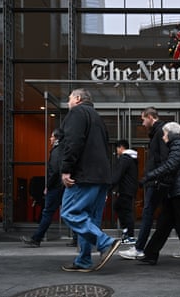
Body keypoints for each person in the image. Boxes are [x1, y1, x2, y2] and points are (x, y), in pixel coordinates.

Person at [59, 88, 120, 272]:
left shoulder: (76, 113)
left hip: (84, 175)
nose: (68, 101)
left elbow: (73, 142)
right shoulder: (98, 118)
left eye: (69, 97)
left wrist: (66, 169)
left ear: (77, 99)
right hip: (101, 176)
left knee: (69, 212)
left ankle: (105, 242)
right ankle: (84, 260)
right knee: (90, 220)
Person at [138, 121, 180, 268]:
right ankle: (150, 254)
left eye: (164, 134)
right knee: (163, 224)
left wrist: (149, 177)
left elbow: (170, 166)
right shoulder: (179, 145)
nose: (163, 137)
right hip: (175, 191)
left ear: (171, 134)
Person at [119, 107, 180, 260]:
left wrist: (153, 178)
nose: (142, 123)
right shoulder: (157, 132)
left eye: (143, 119)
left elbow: (163, 158)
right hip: (159, 181)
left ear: (150, 117)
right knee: (172, 215)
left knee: (148, 212)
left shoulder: (160, 132)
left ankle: (139, 248)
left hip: (157, 182)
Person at [21, 128, 64, 247]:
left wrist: (48, 186)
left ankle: (36, 239)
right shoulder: (62, 150)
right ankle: (77, 239)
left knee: (47, 213)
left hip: (55, 187)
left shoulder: (56, 152)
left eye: (51, 136)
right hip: (60, 186)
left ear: (56, 138)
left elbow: (54, 171)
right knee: (68, 212)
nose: (50, 139)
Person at [111, 139, 138, 245]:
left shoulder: (124, 159)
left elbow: (118, 174)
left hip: (126, 189)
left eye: (117, 148)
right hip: (128, 189)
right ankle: (127, 232)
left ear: (121, 147)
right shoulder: (131, 159)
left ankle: (129, 234)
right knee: (119, 207)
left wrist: (110, 187)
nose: (116, 151)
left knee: (125, 211)